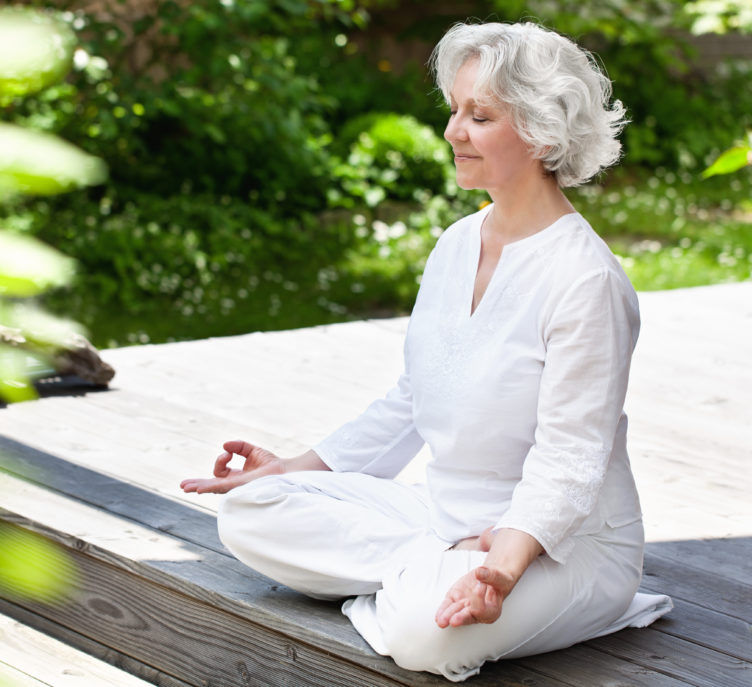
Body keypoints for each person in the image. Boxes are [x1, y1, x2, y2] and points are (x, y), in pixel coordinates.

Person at [181, 21, 672, 682]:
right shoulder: (455, 245)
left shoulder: (586, 281)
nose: (453, 131)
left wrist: (500, 565)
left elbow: (571, 457)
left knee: (424, 639)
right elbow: (415, 396)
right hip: (444, 519)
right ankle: (429, 566)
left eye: (480, 115)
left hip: (563, 545)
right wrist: (295, 467)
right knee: (249, 510)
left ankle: (426, 581)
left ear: (543, 131)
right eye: (453, 110)